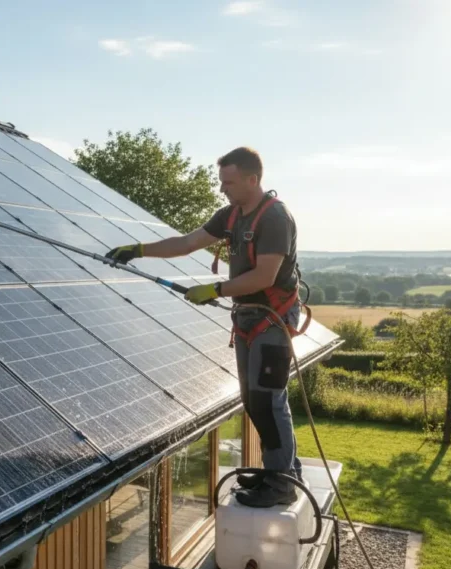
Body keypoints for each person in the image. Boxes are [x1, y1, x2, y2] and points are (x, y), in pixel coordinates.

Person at [104, 146, 303, 508]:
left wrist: (214, 289)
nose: (222, 189)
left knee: (267, 400)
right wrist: (138, 249)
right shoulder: (231, 216)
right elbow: (188, 242)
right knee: (253, 401)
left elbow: (264, 275)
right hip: (247, 318)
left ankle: (283, 482)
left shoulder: (274, 218)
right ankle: (284, 471)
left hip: (273, 319)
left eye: (228, 182)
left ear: (251, 179)